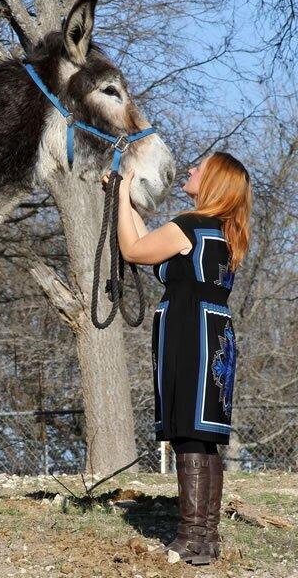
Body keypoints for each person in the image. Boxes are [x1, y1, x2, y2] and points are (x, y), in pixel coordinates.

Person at [104, 151, 252, 564]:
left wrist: (119, 198)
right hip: (216, 331)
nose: (190, 170)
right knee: (204, 438)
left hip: (188, 330)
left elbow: (133, 250)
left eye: (198, 168)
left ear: (214, 182)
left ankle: (189, 537)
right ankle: (206, 538)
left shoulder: (188, 225)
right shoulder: (222, 231)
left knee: (189, 433)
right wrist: (125, 199)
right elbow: (146, 240)